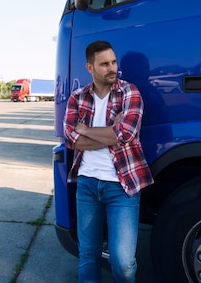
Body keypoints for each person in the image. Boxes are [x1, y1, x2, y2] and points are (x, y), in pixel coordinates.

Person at [63, 40, 154, 283]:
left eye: (113, 62)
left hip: (122, 185)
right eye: (104, 64)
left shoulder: (130, 92)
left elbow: (126, 134)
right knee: (88, 254)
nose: (112, 68)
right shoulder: (77, 97)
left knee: (123, 262)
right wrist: (110, 131)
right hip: (87, 184)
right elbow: (72, 139)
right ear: (90, 68)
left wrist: (87, 129)